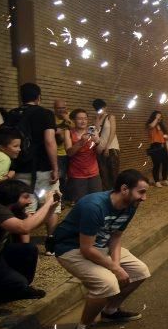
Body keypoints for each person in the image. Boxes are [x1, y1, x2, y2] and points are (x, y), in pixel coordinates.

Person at [54, 169, 151, 329]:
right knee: (107, 283)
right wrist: (115, 269)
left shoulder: (130, 205)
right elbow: (86, 249)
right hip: (72, 249)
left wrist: (117, 266)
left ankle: (110, 311)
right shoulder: (94, 206)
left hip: (101, 245)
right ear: (124, 189)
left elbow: (116, 237)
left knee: (140, 271)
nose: (144, 198)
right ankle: (83, 328)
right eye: (141, 192)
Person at [8, 83, 60, 255]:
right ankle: (50, 243)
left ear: (21, 97)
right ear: (38, 97)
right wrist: (55, 167)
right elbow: (49, 141)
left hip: (21, 168)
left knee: (26, 206)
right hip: (44, 168)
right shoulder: (45, 114)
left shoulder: (12, 115)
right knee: (50, 203)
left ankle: (25, 247)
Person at [0, 180, 59, 301]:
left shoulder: (14, 210)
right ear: (11, 196)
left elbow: (35, 224)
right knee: (16, 283)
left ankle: (19, 287)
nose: (29, 201)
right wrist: (47, 203)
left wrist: (51, 206)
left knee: (27, 249)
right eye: (25, 197)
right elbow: (24, 227)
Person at [64, 109, 103, 204]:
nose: (83, 121)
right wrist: (81, 142)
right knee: (81, 203)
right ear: (73, 120)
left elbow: (100, 151)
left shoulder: (92, 131)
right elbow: (69, 152)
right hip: (77, 175)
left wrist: (97, 142)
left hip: (94, 173)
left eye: (85, 118)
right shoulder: (68, 132)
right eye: (80, 119)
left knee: (96, 201)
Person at [93, 99, 120, 190]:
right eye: (97, 109)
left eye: (101, 108)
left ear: (105, 107)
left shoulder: (110, 117)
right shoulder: (96, 118)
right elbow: (96, 133)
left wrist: (107, 147)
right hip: (100, 149)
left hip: (111, 147)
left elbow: (112, 132)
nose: (100, 110)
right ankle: (106, 193)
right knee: (103, 174)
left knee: (113, 173)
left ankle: (116, 192)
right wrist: (97, 118)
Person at [146, 111, 168, 187]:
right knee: (156, 164)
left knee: (166, 163)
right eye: (158, 117)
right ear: (154, 117)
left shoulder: (161, 126)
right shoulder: (150, 125)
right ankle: (156, 181)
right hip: (155, 146)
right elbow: (151, 126)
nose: (159, 118)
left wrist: (167, 137)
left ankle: (164, 180)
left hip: (163, 146)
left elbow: (165, 136)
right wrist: (156, 119)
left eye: (160, 117)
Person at [54, 99, 72, 196]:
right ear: (54, 108)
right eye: (59, 108)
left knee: (71, 176)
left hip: (71, 152)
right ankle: (61, 198)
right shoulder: (51, 119)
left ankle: (69, 196)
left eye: (63, 108)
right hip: (58, 153)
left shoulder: (71, 117)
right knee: (60, 177)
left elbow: (77, 131)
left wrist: (67, 120)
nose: (61, 110)